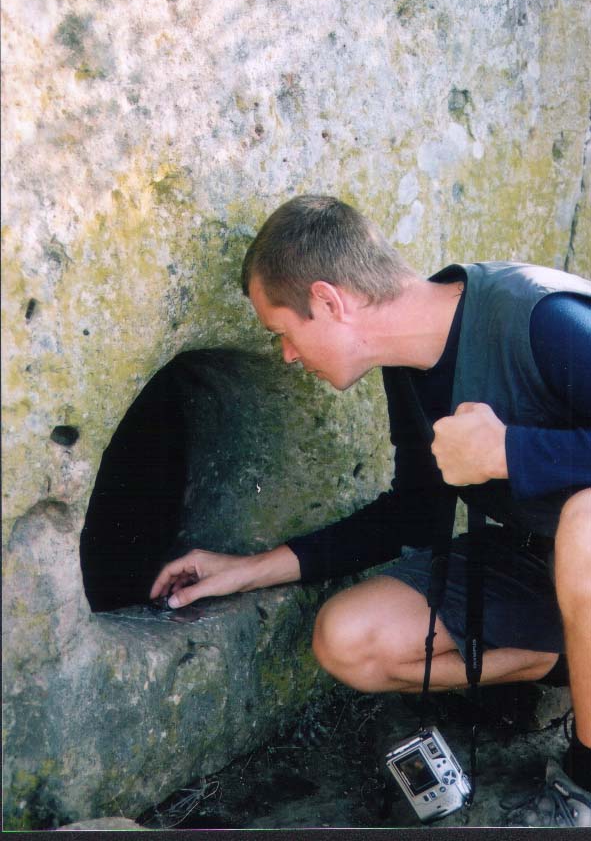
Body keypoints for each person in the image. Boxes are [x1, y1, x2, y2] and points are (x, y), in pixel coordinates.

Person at [150, 195, 591, 827]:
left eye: (284, 333)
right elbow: (413, 515)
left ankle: (583, 789)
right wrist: (247, 569)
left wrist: (513, 452)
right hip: (538, 566)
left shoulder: (539, 318)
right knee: (347, 640)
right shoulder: (409, 369)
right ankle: (578, 664)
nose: (288, 356)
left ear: (329, 301)